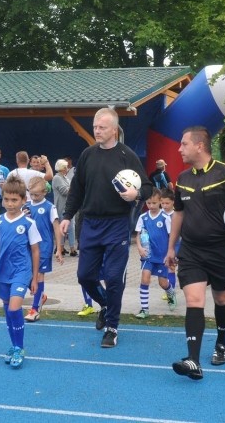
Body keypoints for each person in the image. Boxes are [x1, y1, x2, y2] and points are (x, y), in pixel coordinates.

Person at [165, 126, 225, 380]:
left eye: (183, 144)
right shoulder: (183, 178)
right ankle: (193, 360)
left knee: (221, 299)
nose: (179, 148)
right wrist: (170, 247)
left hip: (221, 250)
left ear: (199, 146)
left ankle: (221, 341)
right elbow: (178, 213)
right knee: (194, 301)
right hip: (191, 251)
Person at [60, 107, 152, 348]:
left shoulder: (126, 155)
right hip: (89, 224)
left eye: (101, 127)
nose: (97, 131)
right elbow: (77, 190)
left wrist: (137, 193)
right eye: (94, 127)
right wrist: (67, 216)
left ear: (114, 130)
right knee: (84, 276)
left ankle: (112, 327)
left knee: (113, 278)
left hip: (117, 225)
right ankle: (106, 305)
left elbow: (148, 187)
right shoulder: (87, 155)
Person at [0, 176, 41, 368]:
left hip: (21, 272)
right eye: (6, 199)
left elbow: (36, 250)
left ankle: (19, 348)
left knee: (14, 308)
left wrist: (35, 277)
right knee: (7, 311)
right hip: (3, 272)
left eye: (14, 200)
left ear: (23, 200)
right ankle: (13, 346)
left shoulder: (29, 223)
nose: (10, 204)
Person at [24, 176, 63, 321]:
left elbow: (56, 227)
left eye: (36, 194)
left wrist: (59, 248)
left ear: (44, 192)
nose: (33, 197)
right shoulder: (26, 206)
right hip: (28, 247)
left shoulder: (49, 207)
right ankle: (41, 296)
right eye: (31, 194)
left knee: (38, 275)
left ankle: (35, 309)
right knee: (25, 274)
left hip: (44, 247)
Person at [134, 189, 176, 318]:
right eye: (148, 203)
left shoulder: (165, 218)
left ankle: (171, 293)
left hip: (162, 256)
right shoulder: (143, 217)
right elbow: (138, 234)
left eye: (154, 203)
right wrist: (140, 248)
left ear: (160, 202)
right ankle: (144, 309)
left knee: (163, 283)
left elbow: (171, 236)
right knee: (145, 278)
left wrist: (170, 252)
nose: (151, 206)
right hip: (148, 256)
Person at [52, 159, 77, 256]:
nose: (67, 168)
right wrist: (75, 186)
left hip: (69, 205)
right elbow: (65, 191)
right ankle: (61, 247)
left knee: (71, 227)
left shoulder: (66, 178)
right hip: (61, 206)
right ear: (62, 168)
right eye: (66, 167)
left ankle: (71, 247)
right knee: (63, 228)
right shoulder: (57, 178)